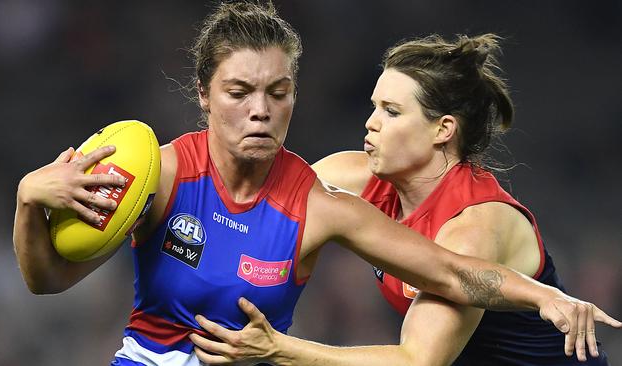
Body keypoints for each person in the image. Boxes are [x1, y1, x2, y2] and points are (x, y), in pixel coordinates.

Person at [12, 3, 619, 365]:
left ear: (443, 130)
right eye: (239, 92)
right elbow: (48, 280)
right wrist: (29, 202)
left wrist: (545, 298)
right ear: (202, 95)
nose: (261, 111)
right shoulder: (162, 174)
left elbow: (434, 325)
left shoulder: (357, 208)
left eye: (279, 93)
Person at [186, 33, 620, 365]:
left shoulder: (473, 228)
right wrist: (139, 194)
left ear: (443, 129)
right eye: (374, 106)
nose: (371, 123)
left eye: (392, 112)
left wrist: (279, 350)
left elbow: (417, 359)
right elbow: (240, 200)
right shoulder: (353, 177)